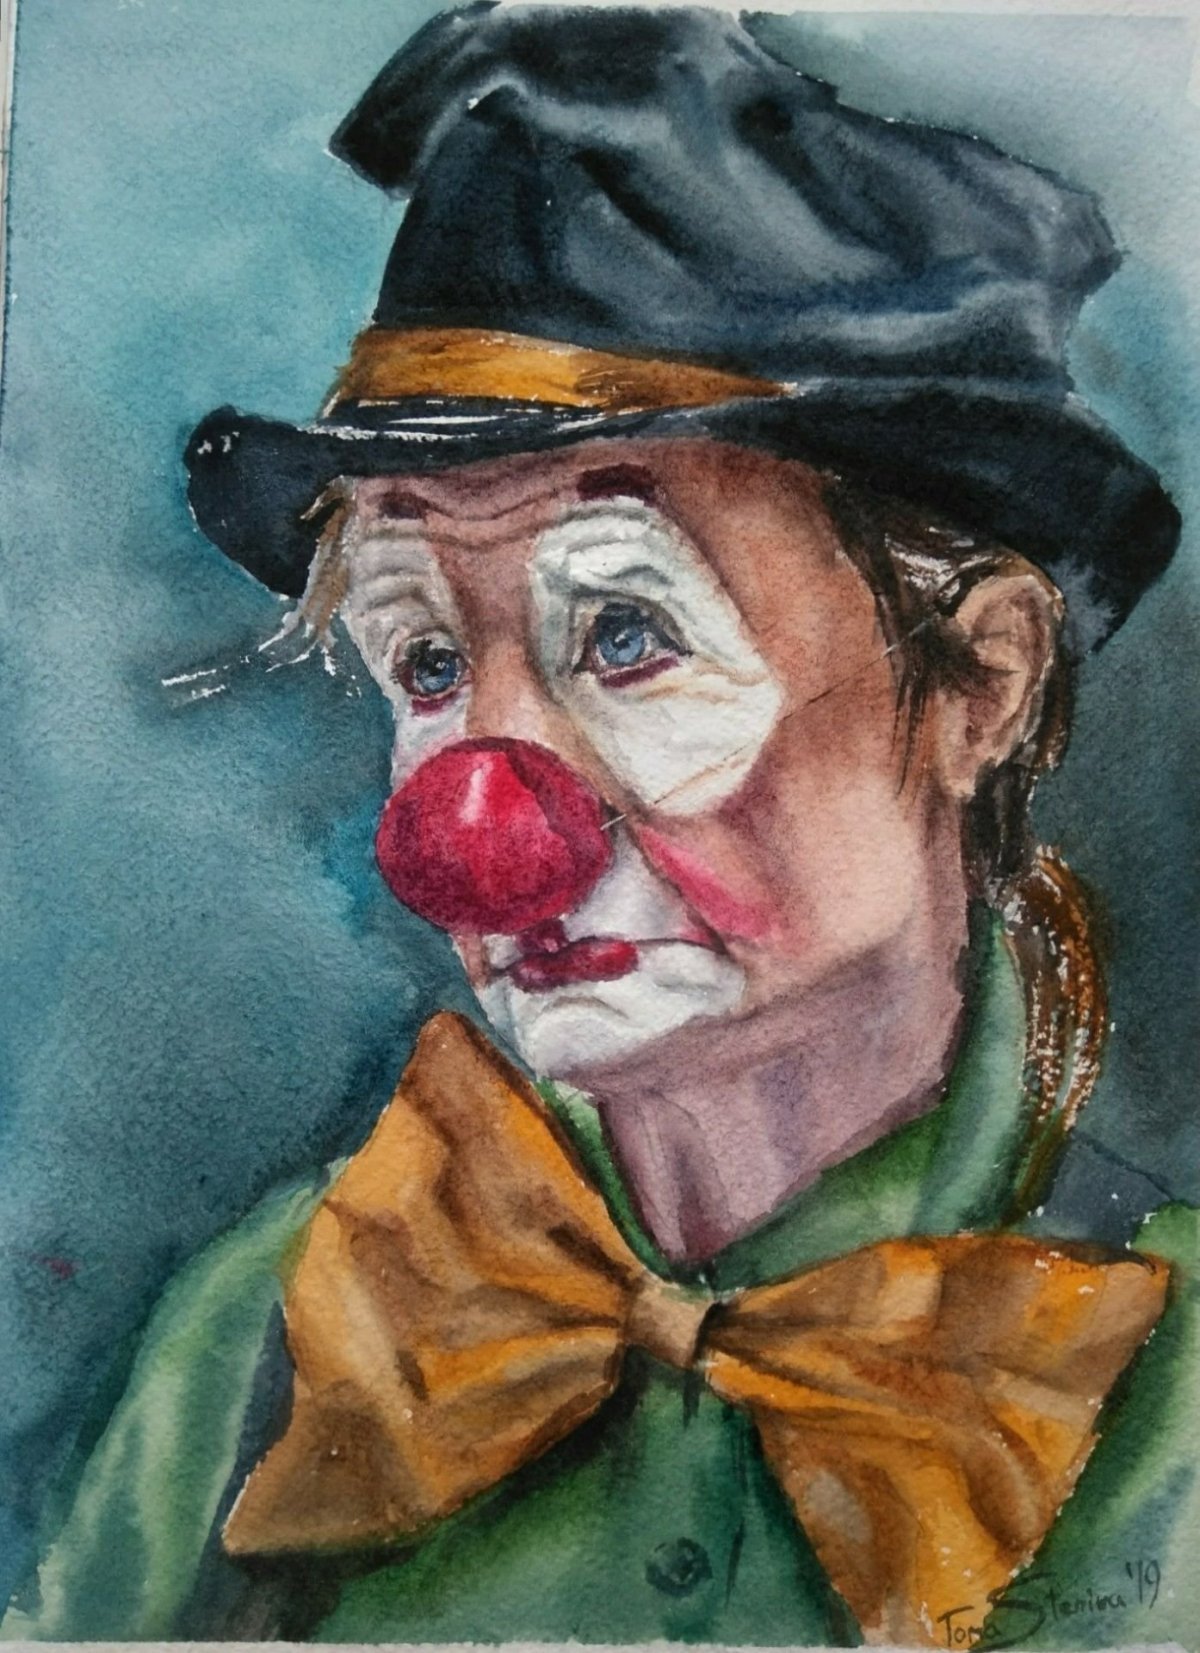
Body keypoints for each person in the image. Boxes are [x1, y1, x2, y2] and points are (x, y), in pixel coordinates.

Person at [4, 5, 1197, 1649]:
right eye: (428, 661)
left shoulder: (1173, 1380)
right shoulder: (279, 1329)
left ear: (977, 685)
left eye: (624, 631)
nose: (483, 827)